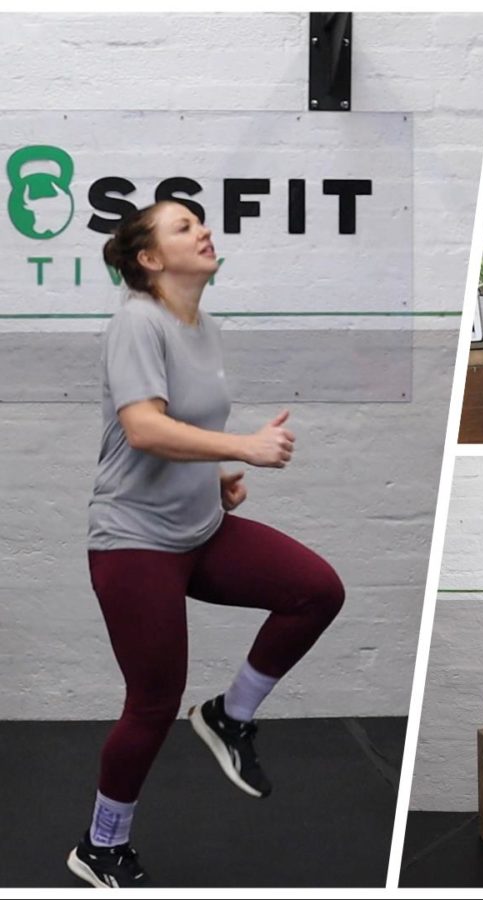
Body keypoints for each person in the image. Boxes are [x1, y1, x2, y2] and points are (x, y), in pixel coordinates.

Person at [67, 201, 346, 887]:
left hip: (200, 530)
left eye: (201, 222)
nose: (203, 231)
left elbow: (181, 428)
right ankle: (101, 845)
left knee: (317, 591)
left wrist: (219, 476)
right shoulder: (137, 320)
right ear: (150, 259)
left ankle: (229, 716)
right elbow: (142, 429)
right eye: (183, 227)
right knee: (154, 703)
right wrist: (243, 446)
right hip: (134, 542)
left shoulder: (204, 326)